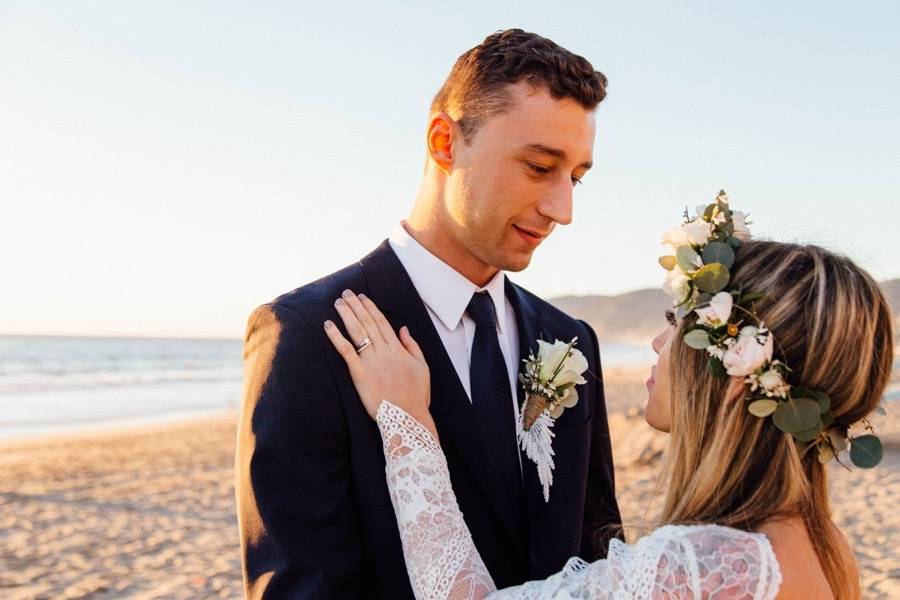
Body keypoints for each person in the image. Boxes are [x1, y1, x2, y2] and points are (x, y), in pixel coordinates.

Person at [324, 196, 893, 599]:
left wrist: (408, 427)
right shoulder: (821, 544)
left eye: (680, 322)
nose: (658, 339)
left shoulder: (711, 566)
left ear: (739, 372)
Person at [236, 29, 622, 599]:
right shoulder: (306, 335)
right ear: (445, 142)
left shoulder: (570, 341)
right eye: (540, 167)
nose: (561, 209)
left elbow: (598, 554)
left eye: (577, 178)